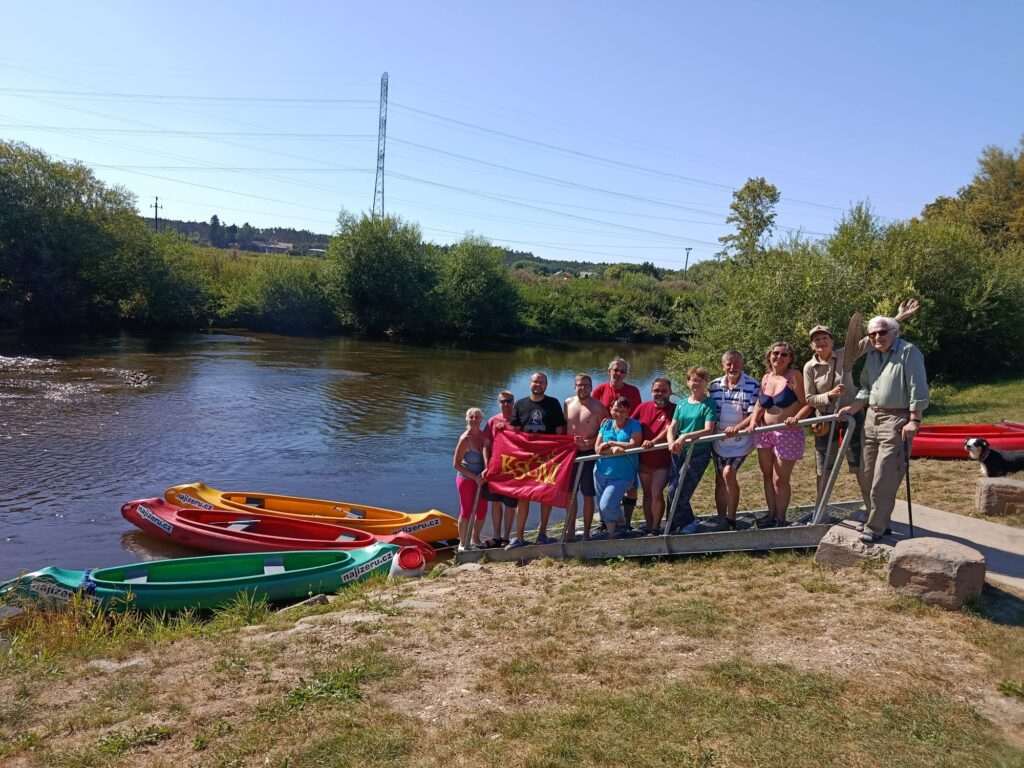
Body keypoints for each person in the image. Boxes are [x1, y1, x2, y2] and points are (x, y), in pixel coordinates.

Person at [804, 300, 920, 497]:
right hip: (825, 420)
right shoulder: (809, 367)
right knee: (824, 468)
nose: (821, 342)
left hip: (852, 416)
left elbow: (874, 337)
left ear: (832, 341)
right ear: (811, 345)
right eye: (817, 339)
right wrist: (829, 395)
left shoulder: (845, 354)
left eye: (824, 338)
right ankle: (821, 508)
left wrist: (899, 317)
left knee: (860, 464)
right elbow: (809, 399)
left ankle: (869, 504)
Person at [838, 316, 929, 543]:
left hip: (897, 419)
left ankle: (875, 527)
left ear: (894, 332)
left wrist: (914, 420)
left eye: (882, 332)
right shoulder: (872, 355)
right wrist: (853, 407)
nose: (877, 337)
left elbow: (918, 387)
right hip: (871, 418)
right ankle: (881, 520)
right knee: (866, 474)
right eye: (872, 334)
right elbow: (867, 388)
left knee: (885, 476)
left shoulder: (908, 352)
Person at [744, 342, 812, 527]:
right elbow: (760, 404)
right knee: (767, 475)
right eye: (775, 353)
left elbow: (807, 403)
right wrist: (753, 421)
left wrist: (796, 418)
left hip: (787, 433)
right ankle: (771, 514)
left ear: (790, 358)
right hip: (765, 432)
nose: (779, 357)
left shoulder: (794, 376)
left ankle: (781, 518)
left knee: (780, 479)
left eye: (784, 354)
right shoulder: (766, 377)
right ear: (769, 356)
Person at [505, 372, 567, 549]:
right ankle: (519, 536)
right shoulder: (520, 404)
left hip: (547, 459)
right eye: (535, 381)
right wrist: (503, 431)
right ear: (530, 383)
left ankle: (542, 533)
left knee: (545, 496)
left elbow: (560, 431)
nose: (537, 384)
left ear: (546, 385)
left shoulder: (553, 403)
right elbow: (515, 433)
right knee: (523, 496)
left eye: (541, 382)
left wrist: (562, 450)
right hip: (526, 460)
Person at [709, 351, 761, 530]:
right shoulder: (714, 385)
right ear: (722, 366)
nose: (733, 367)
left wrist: (737, 428)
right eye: (729, 364)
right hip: (719, 439)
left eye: (737, 363)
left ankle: (731, 518)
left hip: (741, 439)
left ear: (742, 364)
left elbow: (754, 413)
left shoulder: (753, 385)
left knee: (729, 473)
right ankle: (721, 518)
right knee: (719, 479)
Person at [666, 367, 718, 534]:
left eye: (701, 380)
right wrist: (671, 441)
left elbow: (709, 430)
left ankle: (689, 522)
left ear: (705, 383)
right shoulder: (681, 404)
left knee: (678, 490)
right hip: (679, 452)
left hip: (697, 453)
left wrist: (685, 437)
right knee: (671, 490)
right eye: (694, 380)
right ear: (688, 382)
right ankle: (673, 524)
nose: (697, 383)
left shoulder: (708, 403)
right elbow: (672, 427)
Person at [592, 357, 643, 528]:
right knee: (605, 486)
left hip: (626, 439)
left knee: (630, 488)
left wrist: (623, 428)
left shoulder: (633, 391)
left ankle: (626, 521)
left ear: (626, 374)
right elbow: (593, 411)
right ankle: (606, 521)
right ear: (609, 371)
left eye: (622, 371)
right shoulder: (600, 390)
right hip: (606, 437)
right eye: (615, 370)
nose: (618, 374)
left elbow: (637, 415)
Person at [563, 374, 608, 541]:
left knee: (588, 494)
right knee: (570, 494)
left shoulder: (598, 407)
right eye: (580, 385)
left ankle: (587, 532)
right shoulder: (567, 403)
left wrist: (589, 441)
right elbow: (564, 428)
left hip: (589, 454)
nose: (583, 388)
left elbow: (606, 432)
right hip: (571, 454)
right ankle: (570, 531)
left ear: (591, 387)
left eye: (586, 385)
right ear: (574, 387)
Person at [630, 377, 675, 534]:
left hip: (663, 461)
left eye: (664, 391)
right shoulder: (642, 407)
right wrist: (609, 423)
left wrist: (653, 442)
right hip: (644, 461)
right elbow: (628, 424)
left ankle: (656, 527)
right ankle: (649, 526)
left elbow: (669, 429)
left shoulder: (675, 409)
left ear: (670, 392)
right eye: (656, 390)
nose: (660, 393)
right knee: (647, 494)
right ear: (651, 391)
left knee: (656, 492)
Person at [481, 390, 518, 547]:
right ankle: (496, 536)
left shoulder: (519, 421)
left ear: (513, 402)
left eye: (509, 401)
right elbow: (486, 445)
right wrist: (487, 465)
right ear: (499, 404)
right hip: (495, 469)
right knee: (495, 503)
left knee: (510, 505)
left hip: (513, 471)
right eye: (503, 401)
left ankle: (506, 537)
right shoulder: (492, 421)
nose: (506, 404)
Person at [452, 407, 488, 552]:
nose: (474, 419)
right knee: (466, 511)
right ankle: (462, 543)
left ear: (481, 419)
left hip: (482, 480)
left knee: (482, 511)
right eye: (471, 417)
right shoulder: (465, 439)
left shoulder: (484, 436)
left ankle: (476, 539)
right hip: (466, 479)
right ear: (467, 419)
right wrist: (474, 477)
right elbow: (456, 464)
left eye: (477, 417)